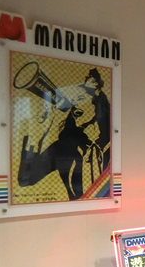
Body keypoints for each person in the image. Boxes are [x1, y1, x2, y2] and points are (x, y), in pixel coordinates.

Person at [17, 67, 111, 201]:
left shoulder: (117, 144)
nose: (75, 103)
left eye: (83, 96)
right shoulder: (65, 146)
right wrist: (37, 134)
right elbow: (26, 179)